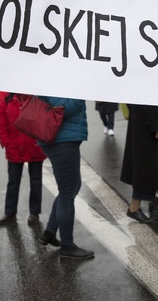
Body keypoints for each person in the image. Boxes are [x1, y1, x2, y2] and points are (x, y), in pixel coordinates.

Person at [35, 96, 94, 260]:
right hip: (61, 140)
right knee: (67, 192)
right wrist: (80, 93)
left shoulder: (58, 78)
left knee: (72, 187)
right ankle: (67, 246)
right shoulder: (55, 78)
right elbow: (62, 107)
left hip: (62, 138)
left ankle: (49, 232)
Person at [0, 92, 47, 226]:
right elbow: (1, 122)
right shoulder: (7, 100)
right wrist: (7, 142)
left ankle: (34, 213)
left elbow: (43, 121)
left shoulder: (36, 99)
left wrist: (41, 140)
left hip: (34, 146)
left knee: (35, 182)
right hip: (14, 147)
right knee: (13, 182)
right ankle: (10, 212)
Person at [120, 104, 158, 223]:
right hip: (149, 127)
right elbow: (151, 99)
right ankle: (134, 206)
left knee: (146, 165)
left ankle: (154, 202)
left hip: (142, 122)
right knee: (148, 166)